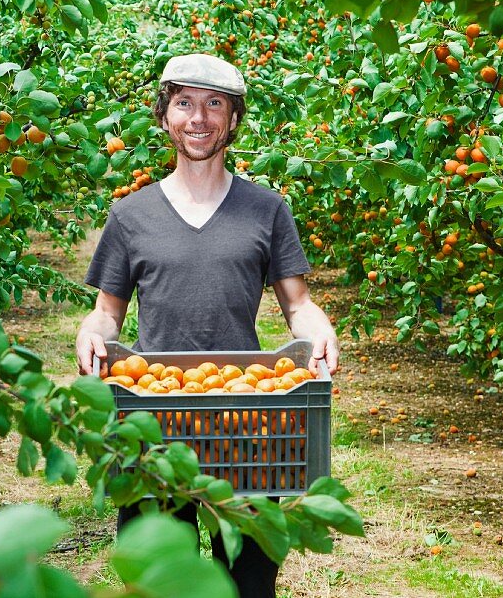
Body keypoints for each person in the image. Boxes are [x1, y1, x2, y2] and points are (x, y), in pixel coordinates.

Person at [75, 53, 340, 598]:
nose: (199, 118)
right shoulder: (131, 215)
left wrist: (320, 329)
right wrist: (91, 332)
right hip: (154, 420)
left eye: (214, 104)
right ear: (165, 116)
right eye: (185, 104)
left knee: (249, 580)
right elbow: (108, 311)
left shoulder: (266, 210)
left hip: (248, 420)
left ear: (234, 119)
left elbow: (298, 305)